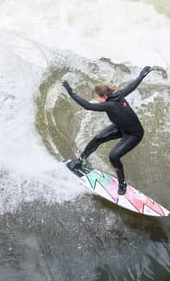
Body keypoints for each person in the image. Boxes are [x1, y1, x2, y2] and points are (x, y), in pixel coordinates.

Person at [62, 66, 153, 196]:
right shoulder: (118, 95)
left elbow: (88, 106)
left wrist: (72, 93)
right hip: (121, 127)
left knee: (114, 156)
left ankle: (122, 184)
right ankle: (81, 160)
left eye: (97, 98)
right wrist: (141, 75)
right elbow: (132, 87)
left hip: (134, 134)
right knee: (98, 138)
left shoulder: (109, 105)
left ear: (104, 96)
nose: (96, 100)